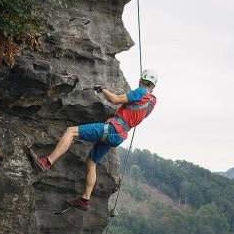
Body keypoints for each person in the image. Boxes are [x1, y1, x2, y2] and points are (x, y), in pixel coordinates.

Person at [30, 69, 158, 211]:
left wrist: (103, 90)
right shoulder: (151, 103)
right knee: (91, 161)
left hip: (112, 129)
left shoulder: (140, 92)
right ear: (154, 86)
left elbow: (115, 99)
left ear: (141, 80)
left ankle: (46, 162)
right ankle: (85, 199)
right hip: (119, 136)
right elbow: (134, 111)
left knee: (71, 132)